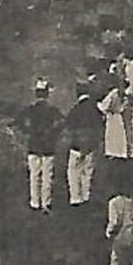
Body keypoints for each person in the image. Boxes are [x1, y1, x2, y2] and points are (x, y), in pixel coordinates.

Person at [20, 78, 63, 212]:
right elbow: (61, 123)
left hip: (33, 144)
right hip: (48, 145)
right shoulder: (52, 110)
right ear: (46, 94)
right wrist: (53, 133)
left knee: (34, 174)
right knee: (47, 175)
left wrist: (28, 131)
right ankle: (46, 202)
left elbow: (20, 122)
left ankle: (34, 202)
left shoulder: (31, 109)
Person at [65, 80, 102, 206]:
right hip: (91, 145)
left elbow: (68, 127)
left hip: (76, 145)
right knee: (88, 172)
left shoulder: (74, 110)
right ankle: (87, 196)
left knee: (74, 172)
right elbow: (100, 125)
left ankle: (75, 197)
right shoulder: (94, 109)